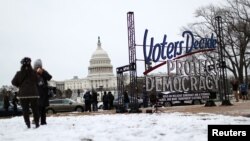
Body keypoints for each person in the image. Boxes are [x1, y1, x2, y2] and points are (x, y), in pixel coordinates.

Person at [11, 57, 40, 128]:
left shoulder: (19, 73)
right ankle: (36, 123)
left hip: (23, 94)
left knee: (25, 110)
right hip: (33, 93)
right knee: (35, 109)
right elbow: (38, 81)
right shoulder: (34, 72)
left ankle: (28, 124)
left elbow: (13, 82)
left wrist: (20, 86)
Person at [34, 59, 52, 125]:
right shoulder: (33, 73)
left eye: (39, 66)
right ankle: (36, 120)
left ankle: (43, 121)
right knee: (38, 107)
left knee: (43, 108)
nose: (38, 68)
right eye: (36, 66)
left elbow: (49, 77)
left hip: (44, 93)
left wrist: (43, 72)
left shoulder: (43, 72)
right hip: (36, 93)